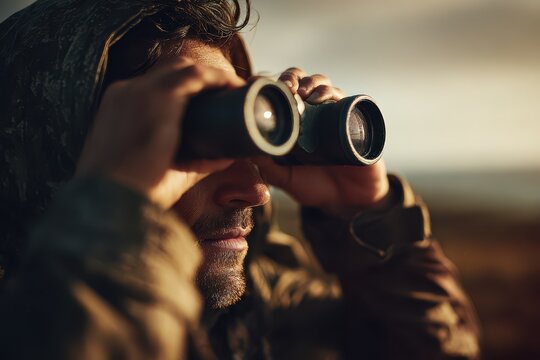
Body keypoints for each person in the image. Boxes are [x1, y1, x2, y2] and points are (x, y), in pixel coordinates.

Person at [0, 0, 480, 358]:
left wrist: (367, 219)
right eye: (188, 140)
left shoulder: (263, 303)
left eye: (236, 135)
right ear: (49, 157)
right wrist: (113, 231)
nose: (253, 189)